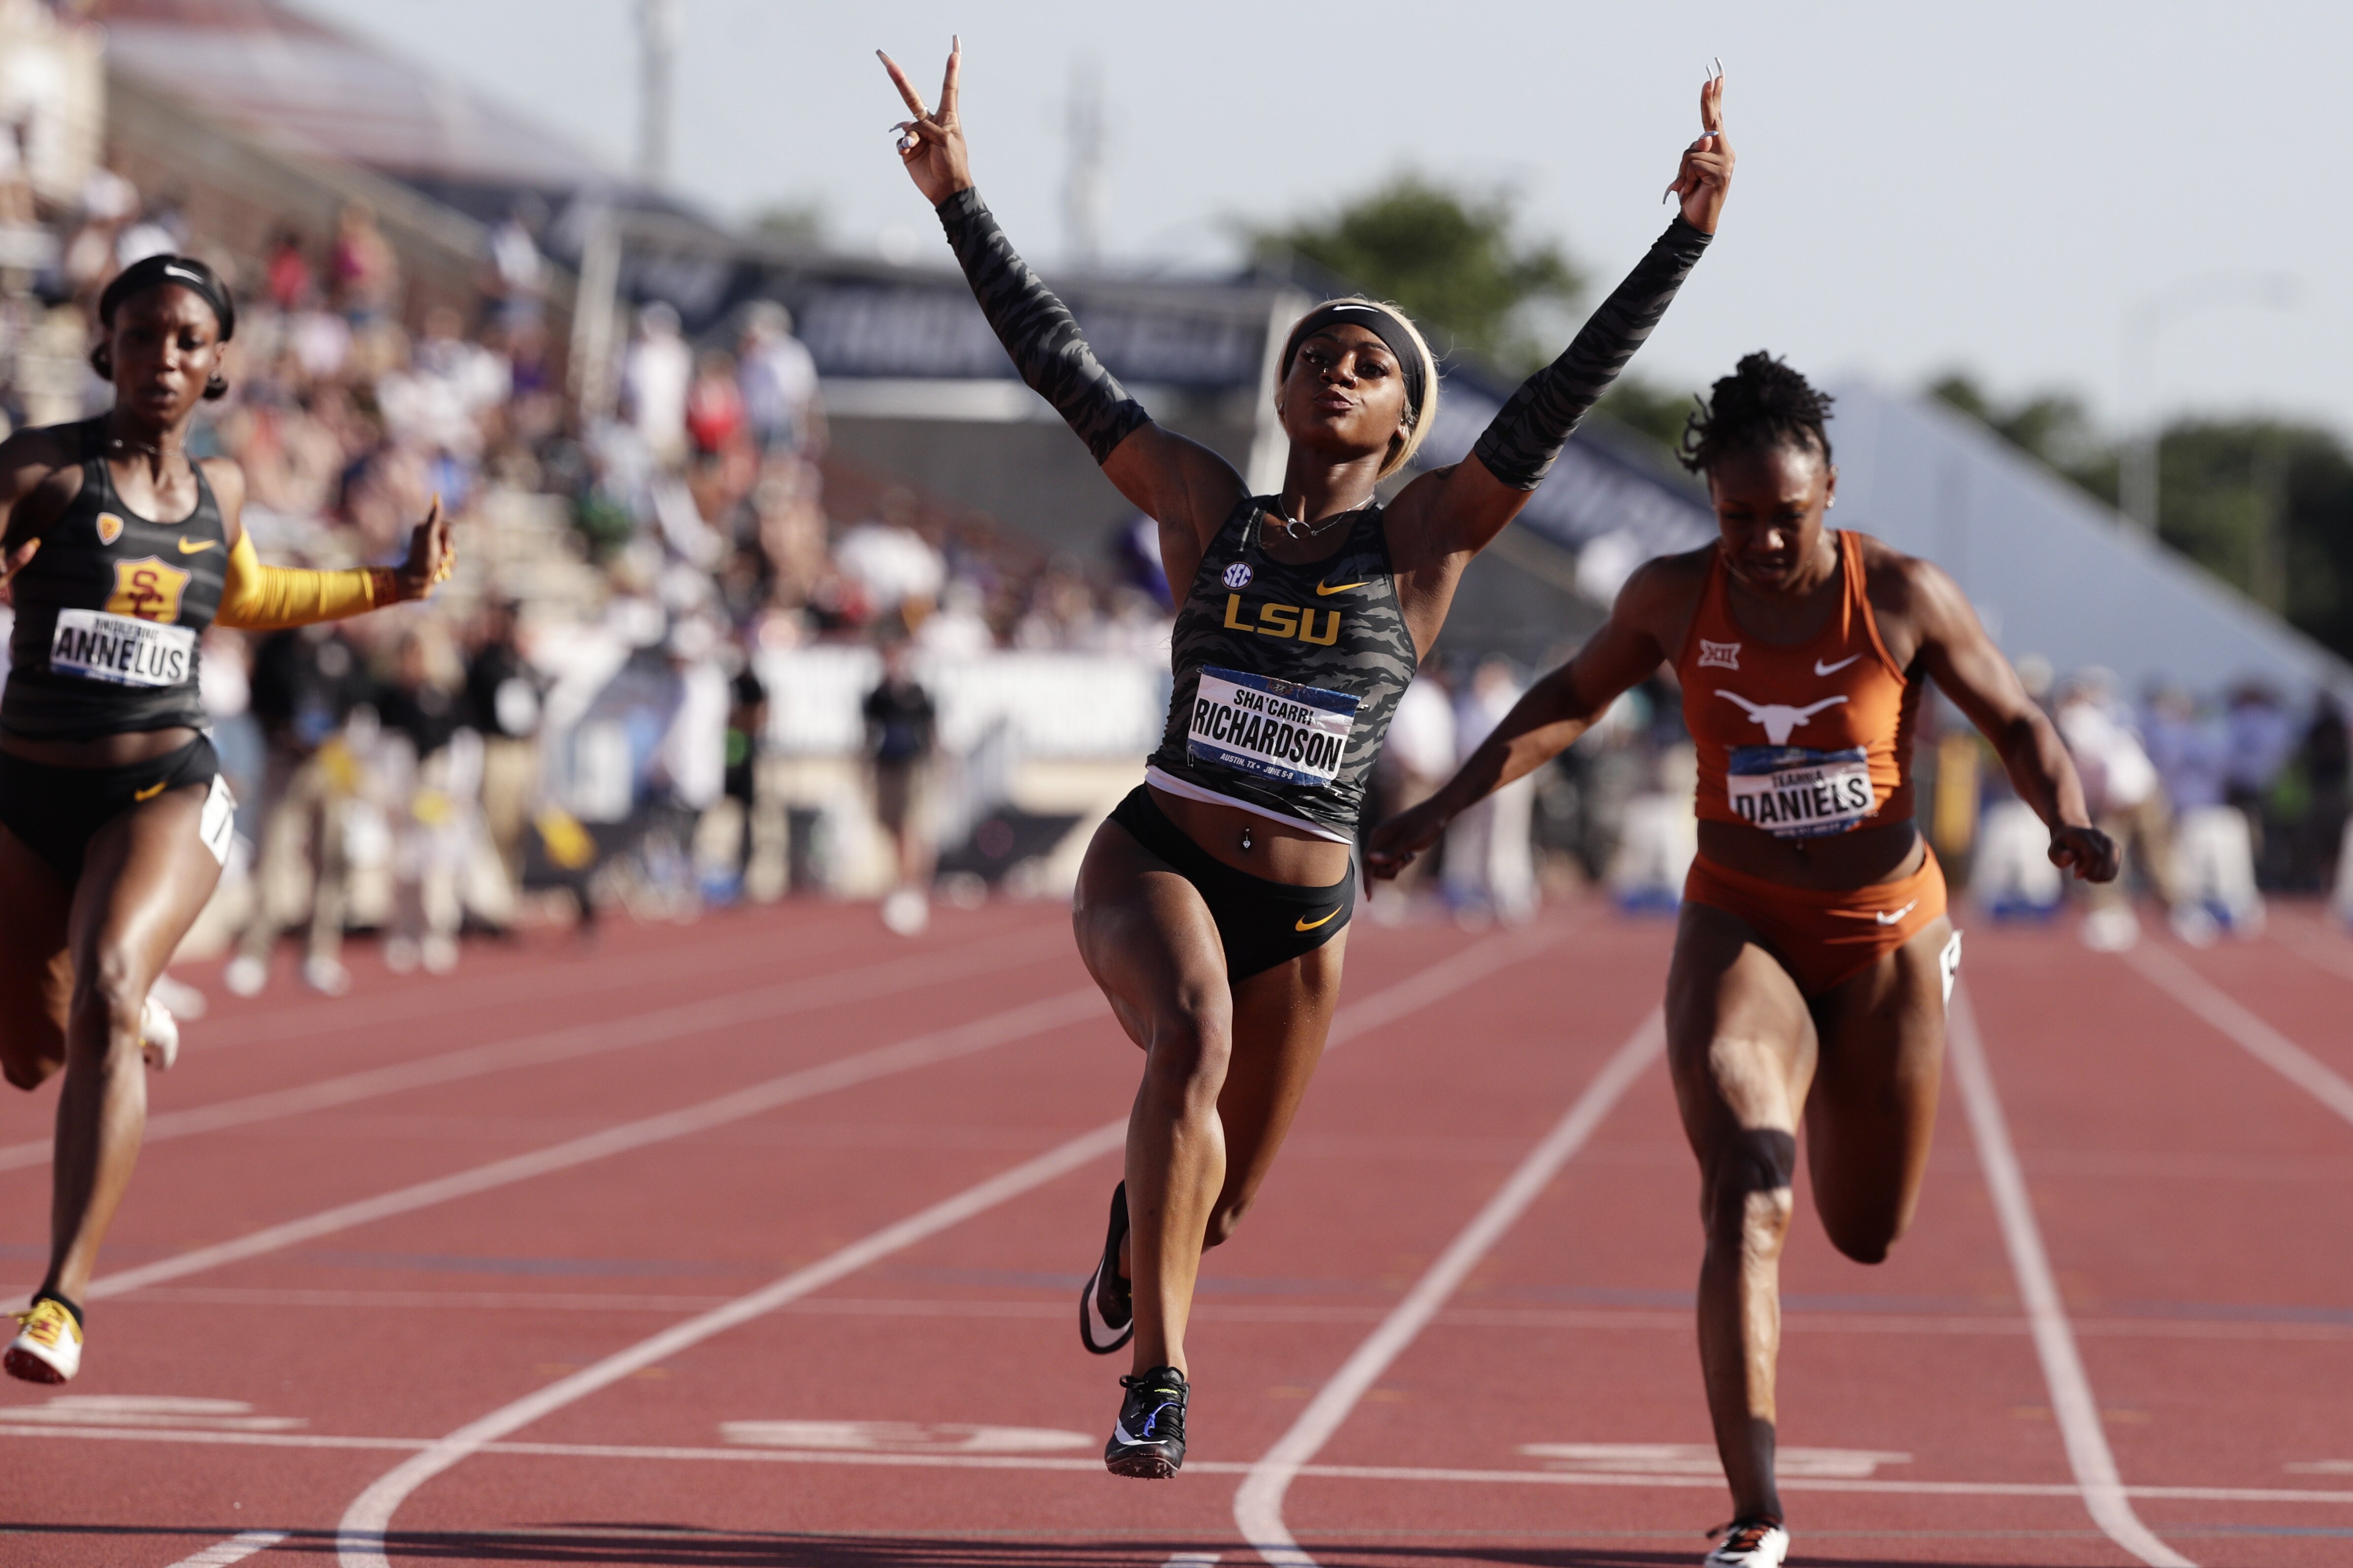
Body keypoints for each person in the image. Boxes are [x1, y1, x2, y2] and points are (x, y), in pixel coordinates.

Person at [880, 40, 1732, 1479]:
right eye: (1318, 356)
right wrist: (960, 200)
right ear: (1282, 394)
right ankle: (1160, 1382)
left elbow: (1556, 398)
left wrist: (1685, 239)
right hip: (1158, 852)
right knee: (1191, 1043)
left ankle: (1142, 1232)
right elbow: (1066, 371)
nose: (1340, 369)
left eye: (1371, 365)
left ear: (1404, 422)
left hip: (1309, 909)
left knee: (1217, 1203)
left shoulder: (1419, 542)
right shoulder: (1199, 501)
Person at [1368, 354, 2117, 1568]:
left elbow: (2016, 719)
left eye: (1784, 517)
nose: (1761, 542)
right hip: (1742, 924)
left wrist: (2063, 814)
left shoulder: (1903, 595)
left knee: (1864, 1228)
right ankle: (1756, 1506)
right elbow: (1564, 697)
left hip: (1885, 936)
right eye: (1735, 519)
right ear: (1706, 508)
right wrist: (1439, 807)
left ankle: (1846, 1078)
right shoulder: (1674, 597)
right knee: (1745, 1193)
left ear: (1827, 491)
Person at [0, 254, 454, 1384]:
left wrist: (389, 585)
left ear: (216, 366)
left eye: (188, 340)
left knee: (105, 990)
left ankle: (62, 1298)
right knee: (31, 1054)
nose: (164, 356)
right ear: (105, 347)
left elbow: (248, 598)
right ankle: (126, 1003)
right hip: (24, 796)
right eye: (143, 335)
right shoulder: (41, 473)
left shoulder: (223, 495)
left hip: (164, 787)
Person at [862, 634, 936, 936]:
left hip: (912, 766)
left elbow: (931, 730)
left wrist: (938, 762)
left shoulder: (917, 694)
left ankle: (910, 885)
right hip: (886, 766)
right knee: (891, 825)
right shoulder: (877, 695)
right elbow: (868, 733)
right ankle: (902, 880)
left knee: (909, 825)